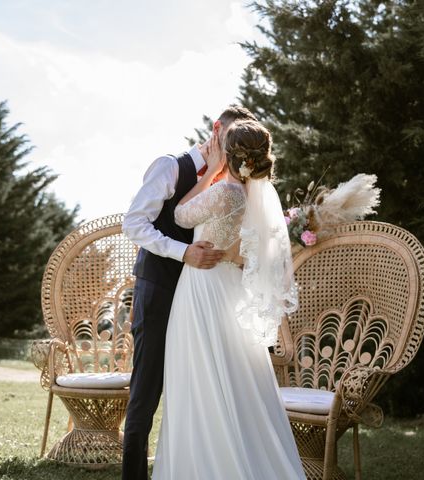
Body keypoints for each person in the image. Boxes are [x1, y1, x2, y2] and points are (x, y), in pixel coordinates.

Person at [152, 120, 306, 479]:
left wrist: (211, 173)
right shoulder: (253, 197)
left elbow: (179, 213)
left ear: (232, 156)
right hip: (229, 287)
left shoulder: (224, 192)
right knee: (235, 377)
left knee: (199, 377)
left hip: (203, 289)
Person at [121, 106, 258, 480]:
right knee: (147, 389)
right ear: (217, 130)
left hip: (203, 299)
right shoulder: (170, 166)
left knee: (200, 384)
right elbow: (133, 223)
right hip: (160, 287)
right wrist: (184, 253)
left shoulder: (234, 183)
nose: (233, 151)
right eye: (229, 139)